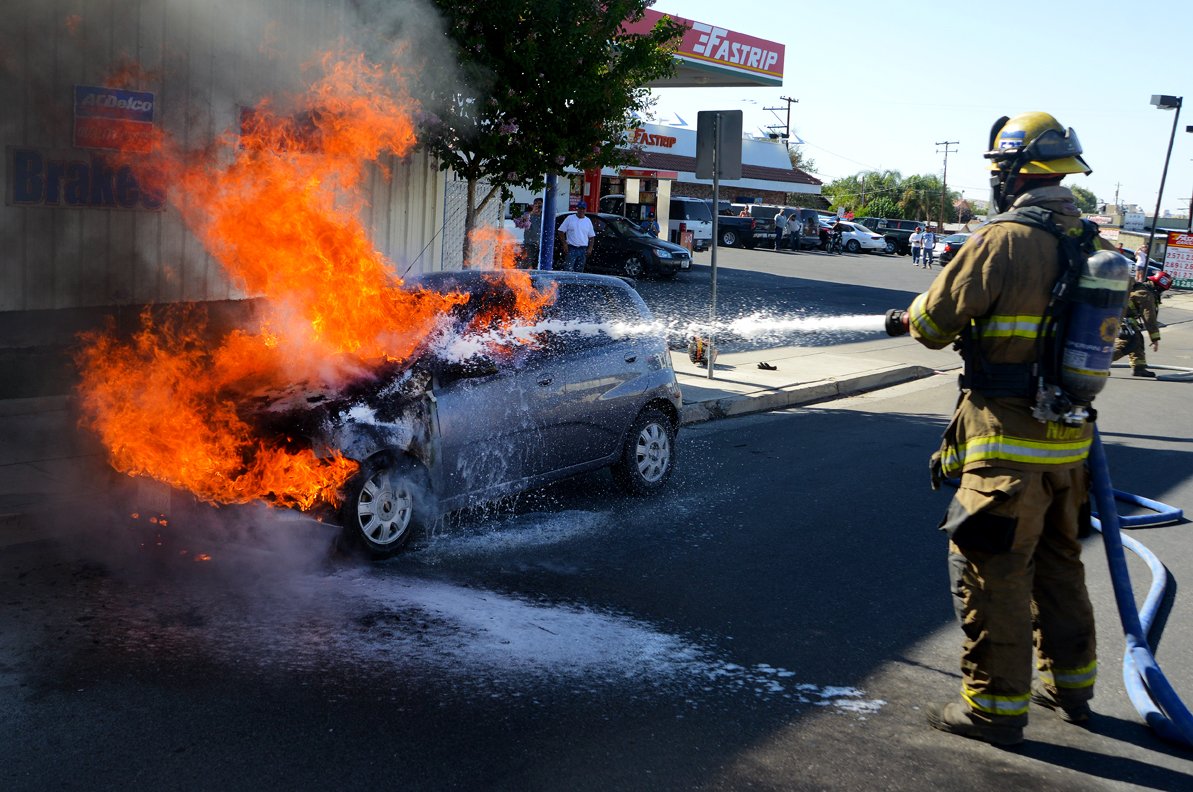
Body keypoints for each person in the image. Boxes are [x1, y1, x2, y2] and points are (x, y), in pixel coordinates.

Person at [884, 111, 1109, 747]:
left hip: (1006, 450)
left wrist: (911, 315)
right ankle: (1072, 688)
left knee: (992, 573)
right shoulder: (1088, 240)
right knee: (1061, 567)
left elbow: (933, 327)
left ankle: (993, 710)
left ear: (1012, 170)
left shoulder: (1002, 240)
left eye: (997, 170)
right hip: (1070, 448)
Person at [1113, 266, 1164, 377]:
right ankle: (1101, 362)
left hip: (1121, 317)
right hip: (1120, 318)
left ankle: (1139, 368)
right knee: (1128, 343)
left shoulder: (1141, 289)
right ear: (1159, 288)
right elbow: (1149, 317)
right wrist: (1155, 338)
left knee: (1137, 339)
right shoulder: (1146, 294)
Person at [557, 201, 595, 272]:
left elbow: (591, 237)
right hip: (571, 248)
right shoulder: (570, 218)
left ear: (585, 210)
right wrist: (565, 244)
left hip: (583, 249)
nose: (581, 210)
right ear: (577, 209)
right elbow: (560, 231)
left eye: (583, 209)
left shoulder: (588, 221)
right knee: (568, 269)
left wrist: (590, 249)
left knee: (579, 270)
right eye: (580, 208)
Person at [521, 197, 543, 269]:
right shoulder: (528, 215)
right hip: (529, 244)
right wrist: (532, 211)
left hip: (541, 244)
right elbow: (522, 223)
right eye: (535, 204)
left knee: (539, 264)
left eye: (539, 205)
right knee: (528, 264)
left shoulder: (544, 216)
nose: (537, 206)